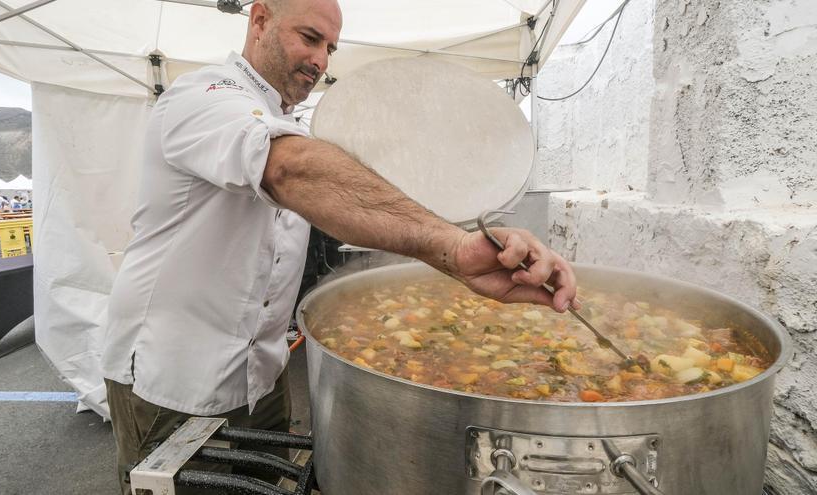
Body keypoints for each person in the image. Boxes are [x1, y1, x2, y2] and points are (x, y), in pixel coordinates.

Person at [100, 0, 579, 493]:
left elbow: (351, 198)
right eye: (309, 38)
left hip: (260, 373)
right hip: (172, 375)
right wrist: (453, 249)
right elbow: (289, 169)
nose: (322, 61)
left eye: (330, 47)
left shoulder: (292, 123)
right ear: (260, 20)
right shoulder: (200, 95)